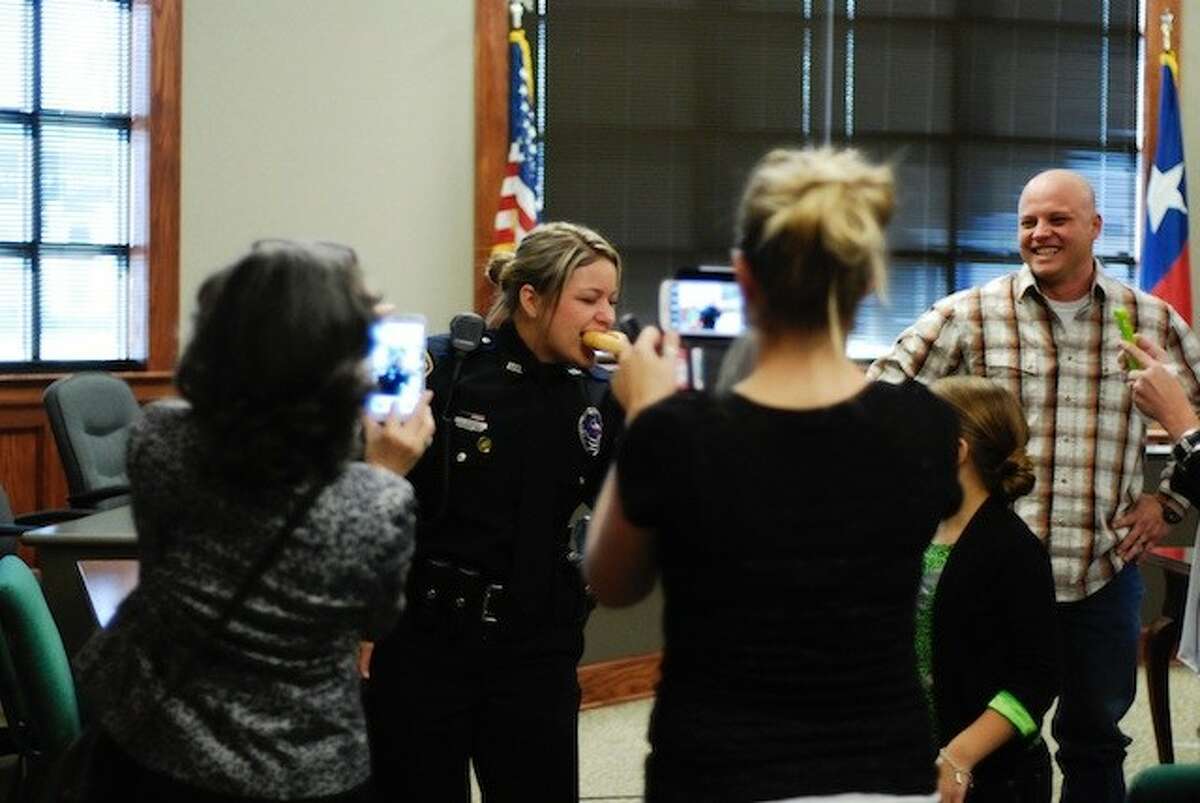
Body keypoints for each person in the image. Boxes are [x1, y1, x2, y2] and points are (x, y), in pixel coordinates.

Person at [585, 146, 962, 802]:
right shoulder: (924, 425)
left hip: (716, 775)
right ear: (867, 282)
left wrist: (644, 410)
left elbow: (611, 581)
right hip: (886, 774)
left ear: (744, 279)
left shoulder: (678, 432)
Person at [869, 168, 1200, 803]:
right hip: (987, 580)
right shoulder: (969, 314)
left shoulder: (1150, 320)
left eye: (1057, 220)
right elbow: (880, 402)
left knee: (1095, 742)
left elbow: (1198, 420)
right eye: (1028, 222)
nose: (1039, 233)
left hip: (1100, 576)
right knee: (983, 742)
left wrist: (1170, 501)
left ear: (1095, 228)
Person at [73, 240, 433, 802]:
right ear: (337, 365)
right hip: (296, 769)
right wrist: (386, 470)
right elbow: (374, 620)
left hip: (151, 745)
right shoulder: (376, 502)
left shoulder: (158, 439)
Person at [364, 221, 625, 803]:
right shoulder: (441, 366)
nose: (606, 315)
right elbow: (366, 489)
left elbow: (633, 512)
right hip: (426, 641)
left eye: (612, 299)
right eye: (589, 299)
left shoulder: (602, 396)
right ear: (531, 298)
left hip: (538, 647)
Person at [921, 377, 1058, 803]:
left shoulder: (1012, 550)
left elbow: (1037, 679)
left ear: (957, 452)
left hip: (993, 780)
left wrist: (960, 755)